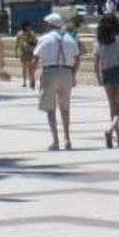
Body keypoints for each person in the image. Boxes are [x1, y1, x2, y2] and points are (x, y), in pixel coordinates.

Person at [34, 10, 80, 150]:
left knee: (50, 108)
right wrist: (73, 74)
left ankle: (55, 140)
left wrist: (32, 75)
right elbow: (77, 59)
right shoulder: (70, 39)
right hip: (66, 72)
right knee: (65, 108)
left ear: (50, 24)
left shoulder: (45, 38)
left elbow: (35, 57)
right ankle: (67, 138)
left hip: (50, 72)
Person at [94, 12, 119, 148]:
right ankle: (110, 130)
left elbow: (96, 61)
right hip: (118, 72)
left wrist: (98, 77)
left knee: (112, 106)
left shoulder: (99, 41)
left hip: (106, 73)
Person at [15, 23, 38, 88]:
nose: (29, 28)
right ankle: (24, 81)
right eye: (28, 27)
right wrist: (16, 52)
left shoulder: (32, 34)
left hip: (30, 52)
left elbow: (36, 42)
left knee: (30, 68)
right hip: (23, 53)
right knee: (24, 67)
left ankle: (31, 81)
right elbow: (16, 43)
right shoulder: (20, 34)